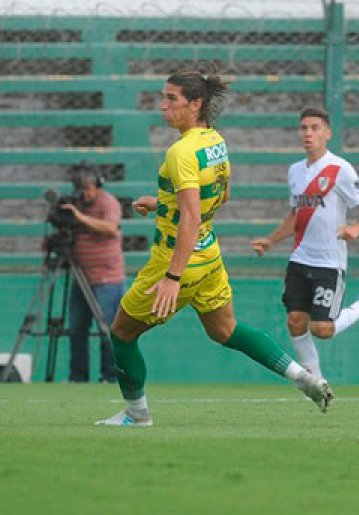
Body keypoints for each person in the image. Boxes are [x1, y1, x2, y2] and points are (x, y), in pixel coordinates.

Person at [96, 68, 330, 427]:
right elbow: (220, 196)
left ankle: (136, 414)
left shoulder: (180, 151)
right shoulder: (214, 141)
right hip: (208, 256)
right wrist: (162, 204)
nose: (163, 106)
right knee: (226, 331)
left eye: (172, 99)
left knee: (123, 333)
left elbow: (190, 216)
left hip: (176, 260)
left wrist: (172, 276)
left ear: (195, 104)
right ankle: (304, 377)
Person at [250, 107, 359, 399]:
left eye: (314, 127)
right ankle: (316, 383)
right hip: (300, 259)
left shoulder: (340, 169)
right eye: (303, 128)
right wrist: (271, 240)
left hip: (329, 263)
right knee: (295, 321)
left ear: (327, 133)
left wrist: (357, 228)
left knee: (322, 328)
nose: (308, 133)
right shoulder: (295, 170)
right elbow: (296, 215)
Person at [59, 164, 124, 383]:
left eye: (88, 188)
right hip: (81, 277)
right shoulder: (75, 204)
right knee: (77, 329)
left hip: (107, 279)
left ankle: (109, 377)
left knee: (108, 329)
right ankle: (78, 377)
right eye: (81, 189)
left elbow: (110, 228)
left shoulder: (108, 202)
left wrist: (79, 217)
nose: (85, 194)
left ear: (98, 185)